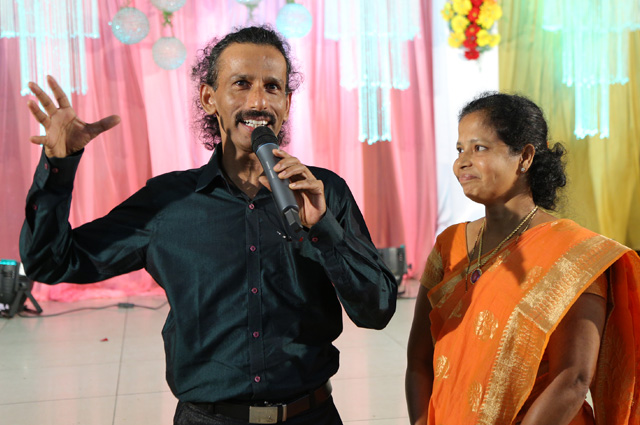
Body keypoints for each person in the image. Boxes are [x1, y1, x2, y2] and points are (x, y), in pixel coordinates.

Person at [20, 26, 398, 425]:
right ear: (208, 98)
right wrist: (58, 167)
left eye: (272, 87)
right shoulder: (168, 203)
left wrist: (324, 230)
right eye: (241, 84)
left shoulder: (323, 192)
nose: (258, 101)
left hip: (312, 415)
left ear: (286, 103)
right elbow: (51, 263)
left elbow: (378, 309)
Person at [405, 93, 640, 425]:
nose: (462, 162)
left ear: (525, 157)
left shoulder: (571, 253)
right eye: (460, 150)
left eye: (479, 148)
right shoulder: (450, 244)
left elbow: (572, 379)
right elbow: (419, 357)